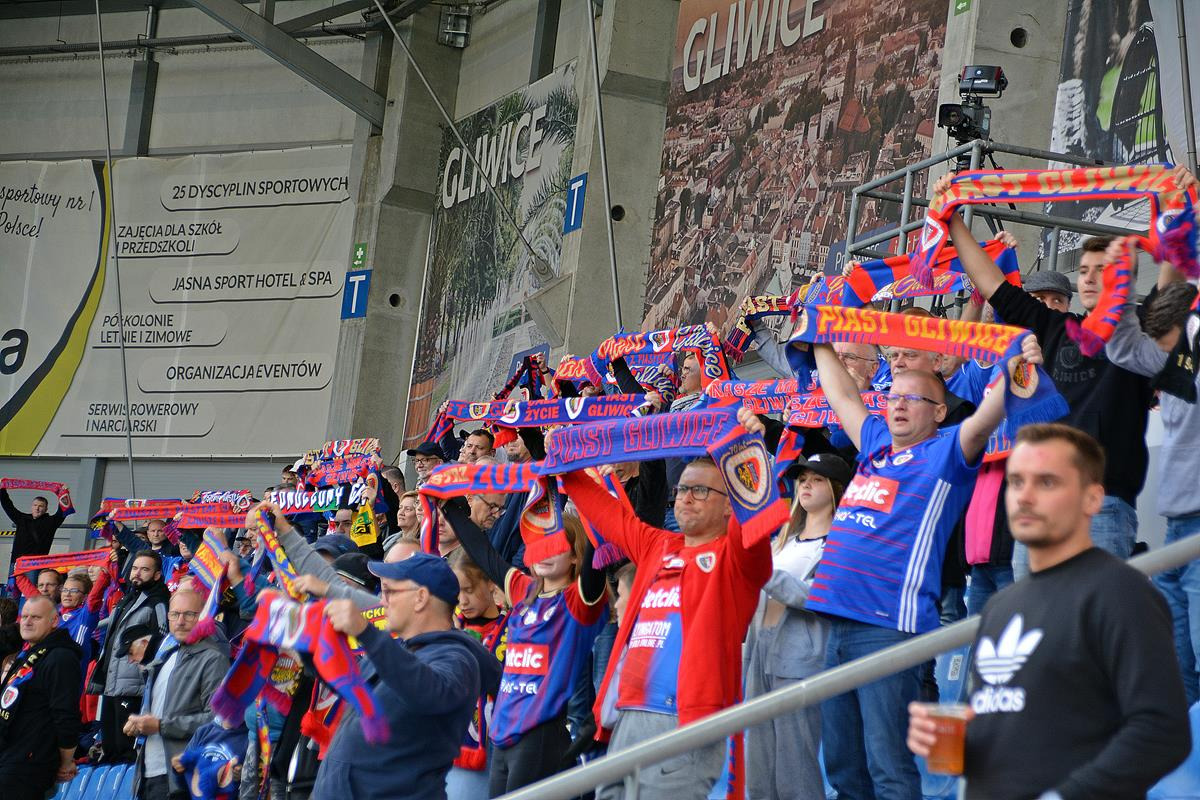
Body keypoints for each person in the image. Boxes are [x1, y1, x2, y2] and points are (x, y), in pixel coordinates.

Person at [907, 423, 1191, 799]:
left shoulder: (1122, 592)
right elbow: (1011, 732)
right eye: (1016, 482)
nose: (1024, 497)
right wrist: (956, 743)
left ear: (1092, 498)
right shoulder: (1000, 606)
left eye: (1047, 482)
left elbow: (1163, 730)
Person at [808, 331, 1025, 799]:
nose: (899, 405)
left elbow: (986, 419)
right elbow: (841, 394)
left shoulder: (947, 451)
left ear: (940, 411)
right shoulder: (875, 443)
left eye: (913, 398)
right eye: (893, 397)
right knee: (844, 770)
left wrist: (1015, 366)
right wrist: (818, 335)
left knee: (889, 768)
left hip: (887, 626)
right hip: (834, 624)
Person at [936, 169, 1180, 567]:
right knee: (1035, 607)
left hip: (1101, 502)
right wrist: (953, 218)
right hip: (1042, 501)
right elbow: (993, 285)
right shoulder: (1054, 327)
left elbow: (1171, 282)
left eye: (1102, 270)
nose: (1089, 279)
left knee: (1091, 608)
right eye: (1083, 271)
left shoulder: (1141, 333)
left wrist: (1178, 211)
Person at [561, 417, 774, 800]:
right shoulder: (658, 546)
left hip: (683, 719)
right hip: (626, 713)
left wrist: (748, 451)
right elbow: (608, 514)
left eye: (700, 490)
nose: (685, 498)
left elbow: (754, 522)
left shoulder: (736, 559)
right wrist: (565, 465)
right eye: (682, 489)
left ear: (730, 505)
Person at [442, 500, 608, 795]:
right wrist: (449, 508)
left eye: (555, 545)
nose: (544, 552)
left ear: (574, 556)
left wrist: (585, 489)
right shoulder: (523, 591)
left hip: (539, 732)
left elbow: (597, 549)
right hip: (502, 733)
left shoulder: (578, 602)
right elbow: (483, 552)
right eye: (538, 543)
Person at [317, 552, 503, 798]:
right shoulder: (398, 650)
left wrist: (366, 633)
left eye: (390, 592)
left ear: (420, 598)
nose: (382, 601)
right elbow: (345, 683)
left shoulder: (457, 658)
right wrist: (307, 641)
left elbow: (429, 693)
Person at [1105, 265, 1200, 704]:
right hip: (1176, 524)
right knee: (1177, 665)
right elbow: (1125, 348)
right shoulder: (1176, 352)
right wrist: (1120, 286)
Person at [744, 452, 850, 800]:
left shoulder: (840, 542)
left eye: (817, 479)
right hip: (761, 651)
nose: (806, 485)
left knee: (795, 763)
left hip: (801, 658)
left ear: (836, 489)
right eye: (802, 479)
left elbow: (819, 597)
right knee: (758, 762)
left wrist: (763, 573)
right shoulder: (784, 541)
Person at [128, 586, 230, 800]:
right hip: (149, 773)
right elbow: (160, 711)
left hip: (182, 778)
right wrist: (139, 723)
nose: (180, 621)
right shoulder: (166, 656)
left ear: (203, 617)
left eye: (189, 614)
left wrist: (160, 725)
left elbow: (217, 721)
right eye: (175, 614)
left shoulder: (213, 659)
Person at [89, 550, 170, 763]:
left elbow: (164, 641)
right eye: (135, 568)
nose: (137, 573)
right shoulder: (128, 598)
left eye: (145, 569)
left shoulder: (158, 601)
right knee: (110, 747)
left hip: (134, 686)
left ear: (157, 575)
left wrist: (138, 656)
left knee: (125, 749)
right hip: (112, 682)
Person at [0, 595, 82, 800]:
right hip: (9, 759)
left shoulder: (61, 657)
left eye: (35, 617)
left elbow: (66, 715)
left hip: (26, 767)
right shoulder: (29, 655)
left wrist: (66, 762)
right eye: (24, 616)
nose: (27, 622)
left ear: (54, 621)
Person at [446, 548, 506, 800]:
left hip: (499, 742)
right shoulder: (448, 627)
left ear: (490, 583)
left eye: (469, 590)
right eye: (457, 592)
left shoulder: (512, 627)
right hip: (452, 745)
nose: (462, 600)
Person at [0, 488, 68, 574]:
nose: (37, 508)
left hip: (35, 565)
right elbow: (7, 505)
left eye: (41, 506)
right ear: (31, 507)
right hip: (16, 563)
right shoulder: (22, 519)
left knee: (32, 583)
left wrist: (64, 494)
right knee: (13, 583)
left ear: (46, 509)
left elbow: (63, 510)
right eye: (35, 505)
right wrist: (2, 489)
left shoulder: (51, 522)